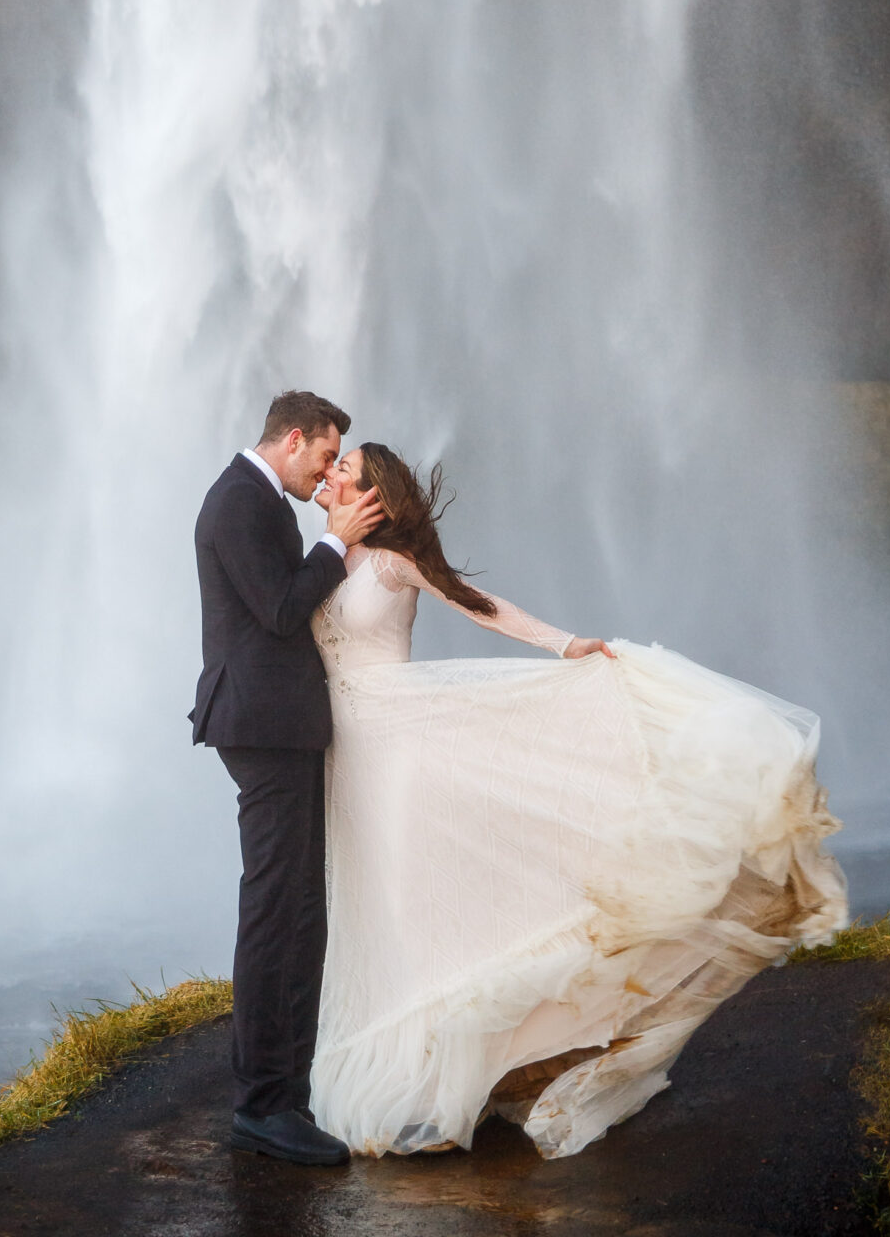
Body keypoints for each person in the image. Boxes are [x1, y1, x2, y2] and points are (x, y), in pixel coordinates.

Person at [307, 442, 848, 1159]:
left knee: (415, 899)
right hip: (346, 755)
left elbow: (477, 602)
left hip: (403, 745)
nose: (330, 471)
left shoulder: (390, 562)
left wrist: (563, 645)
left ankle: (440, 1078)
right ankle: (435, 1063)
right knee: (372, 902)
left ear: (374, 493)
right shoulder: (318, 558)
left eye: (343, 467)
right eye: (330, 464)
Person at [190, 390, 388, 1167]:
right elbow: (277, 612)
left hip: (279, 727)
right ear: (293, 439)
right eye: (323, 456)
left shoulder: (256, 499)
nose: (325, 474)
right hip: (262, 729)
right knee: (277, 911)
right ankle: (262, 1105)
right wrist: (336, 542)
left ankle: (284, 1095)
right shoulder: (240, 501)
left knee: (298, 908)